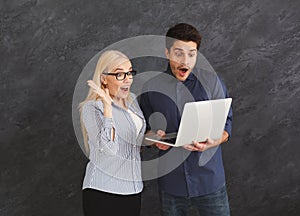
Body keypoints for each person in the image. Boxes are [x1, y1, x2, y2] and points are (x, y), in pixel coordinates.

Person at [139, 23, 233, 216]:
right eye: (178, 53)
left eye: (192, 54)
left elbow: (227, 125)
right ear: (167, 53)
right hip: (171, 184)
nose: (186, 61)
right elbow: (144, 134)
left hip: (210, 181)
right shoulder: (151, 88)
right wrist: (154, 139)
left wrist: (218, 139)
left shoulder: (212, 82)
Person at [79, 50, 146, 216]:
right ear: (103, 78)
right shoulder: (92, 108)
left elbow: (133, 138)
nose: (128, 79)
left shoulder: (132, 100)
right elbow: (109, 150)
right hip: (104, 192)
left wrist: (153, 138)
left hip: (133, 189)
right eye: (119, 74)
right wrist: (108, 108)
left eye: (129, 72)